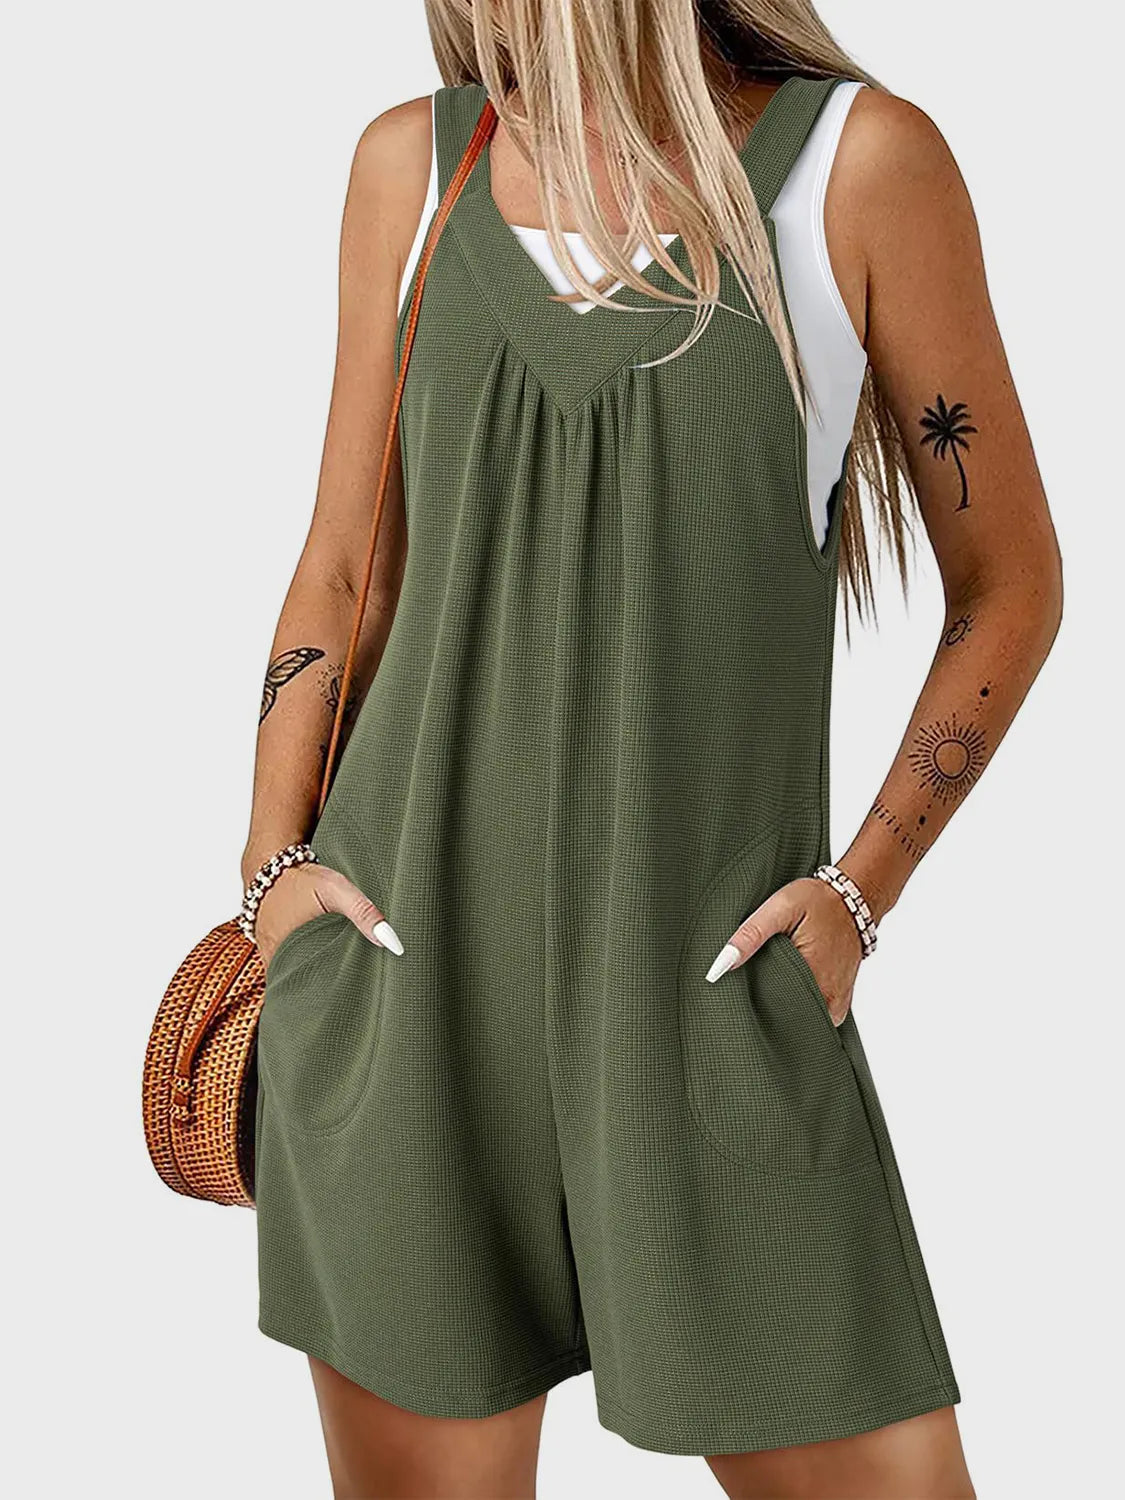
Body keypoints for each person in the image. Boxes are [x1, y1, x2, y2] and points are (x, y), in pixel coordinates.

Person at [240, 3, 1061, 1495]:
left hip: (712, 1011)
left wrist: (860, 893)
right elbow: (346, 563)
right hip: (405, 995)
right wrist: (272, 876)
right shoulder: (410, 171)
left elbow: (1010, 584)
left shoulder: (858, 169)